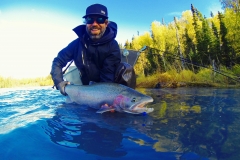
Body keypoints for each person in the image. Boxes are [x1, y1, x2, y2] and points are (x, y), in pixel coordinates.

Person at [51, 4, 127, 96]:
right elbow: (58, 61)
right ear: (86, 23)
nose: (94, 24)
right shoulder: (76, 44)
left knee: (127, 68)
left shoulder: (113, 45)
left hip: (107, 86)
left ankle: (127, 102)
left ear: (106, 23)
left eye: (100, 20)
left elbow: (108, 76)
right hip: (85, 88)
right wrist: (59, 82)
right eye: (90, 20)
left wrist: (105, 98)